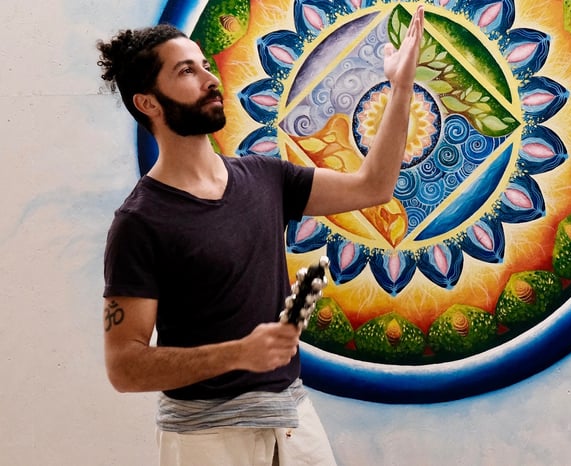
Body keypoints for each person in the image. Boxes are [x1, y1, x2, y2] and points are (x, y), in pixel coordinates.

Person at [97, 6, 425, 466]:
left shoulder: (265, 177)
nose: (210, 79)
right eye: (186, 71)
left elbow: (374, 186)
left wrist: (402, 86)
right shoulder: (140, 222)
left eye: (205, 65)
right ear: (148, 103)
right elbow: (124, 367)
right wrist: (238, 354)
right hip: (205, 441)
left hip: (292, 423)